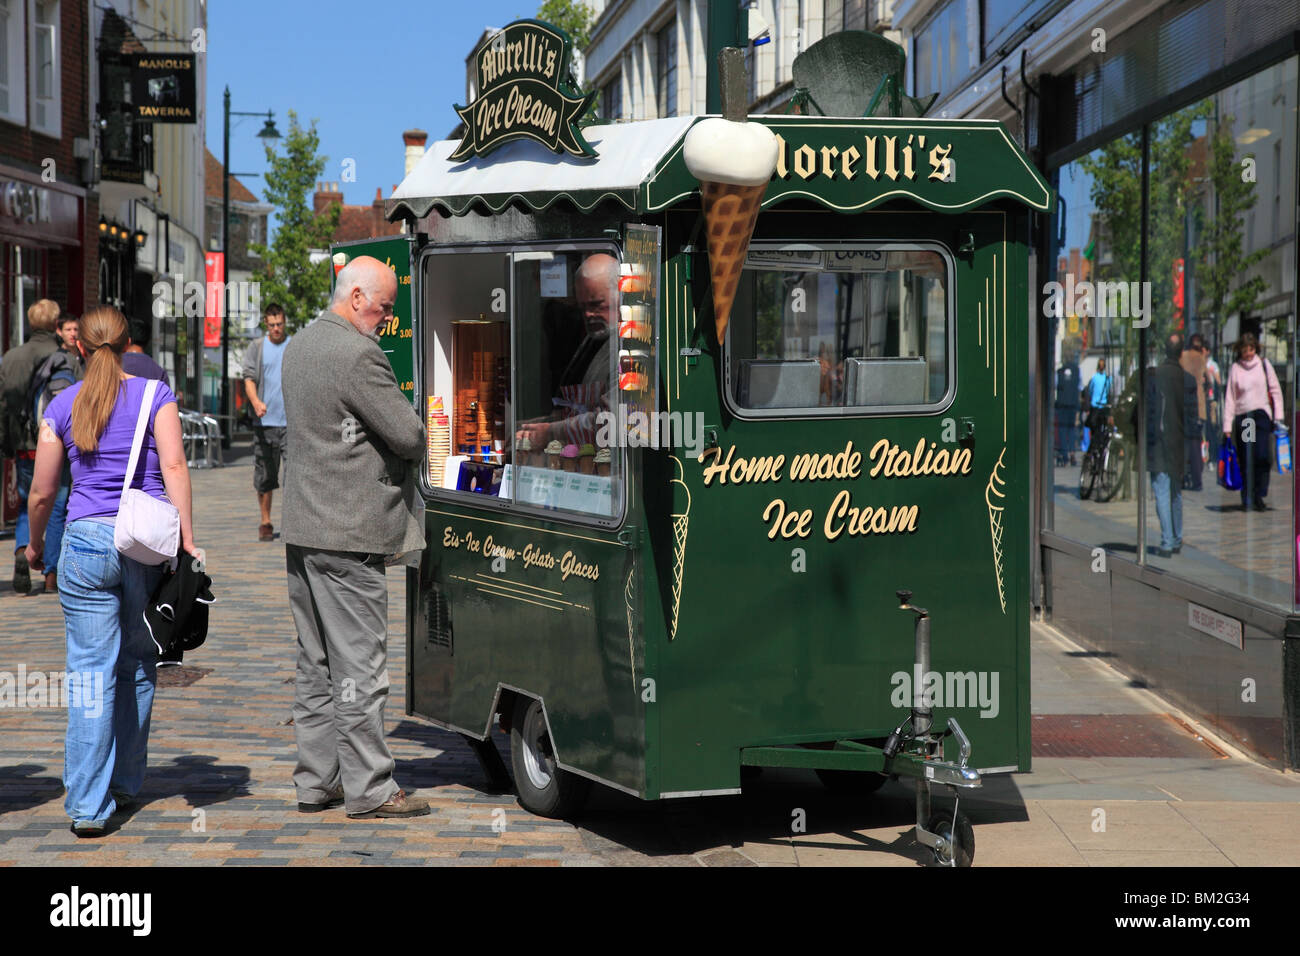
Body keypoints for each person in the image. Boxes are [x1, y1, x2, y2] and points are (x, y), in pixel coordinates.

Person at [24, 305, 197, 836]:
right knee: (139, 663)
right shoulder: (155, 396)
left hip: (83, 546)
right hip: (142, 545)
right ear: (129, 345)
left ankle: (88, 805)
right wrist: (188, 541)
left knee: (88, 675)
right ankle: (124, 782)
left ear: (79, 346)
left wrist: (34, 548)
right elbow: (173, 466)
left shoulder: (61, 405)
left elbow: (42, 491)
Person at [281, 257, 428, 819]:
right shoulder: (358, 353)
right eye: (386, 307)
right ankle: (371, 787)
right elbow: (408, 434)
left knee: (314, 663)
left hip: (305, 528)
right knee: (361, 668)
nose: (388, 319)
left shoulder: (299, 345)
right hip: (349, 534)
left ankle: (316, 781)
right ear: (358, 295)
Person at [0, 299, 62, 594]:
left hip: (23, 442)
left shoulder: (11, 357)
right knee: (59, 503)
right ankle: (51, 571)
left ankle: (23, 549)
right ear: (55, 324)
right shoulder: (62, 357)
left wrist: (6, 441)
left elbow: (2, 405)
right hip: (55, 442)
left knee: (28, 501)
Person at [1145, 334, 1197, 557]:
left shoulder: (1154, 376)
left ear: (1165, 351)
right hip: (1179, 442)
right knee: (1175, 493)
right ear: (1181, 352)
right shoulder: (1188, 380)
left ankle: (1167, 541)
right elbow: (1192, 417)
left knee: (1162, 491)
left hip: (1158, 442)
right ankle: (1176, 538)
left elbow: (1147, 412)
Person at [241, 304, 290, 541]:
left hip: (291, 423)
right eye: (272, 325)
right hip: (265, 423)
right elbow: (249, 378)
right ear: (266, 324)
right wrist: (256, 402)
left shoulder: (294, 345)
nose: (276, 328)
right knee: (265, 476)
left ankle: (292, 524)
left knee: (294, 475)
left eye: (279, 324)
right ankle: (265, 520)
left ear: (285, 322)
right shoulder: (257, 347)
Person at [1223, 330, 1285, 512]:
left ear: (1255, 349)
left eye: (1251, 349)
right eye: (1245, 350)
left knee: (1262, 456)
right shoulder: (1236, 368)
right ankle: (1248, 496)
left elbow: (1275, 390)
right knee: (1248, 457)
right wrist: (1227, 425)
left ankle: (1260, 493)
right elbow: (1230, 397)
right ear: (1240, 351)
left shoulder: (1264, 365)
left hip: (1261, 416)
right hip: (1246, 418)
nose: (1248, 353)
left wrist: (1278, 416)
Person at [1180, 334, 1209, 491]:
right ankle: (1197, 480)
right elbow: (1207, 379)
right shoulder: (1201, 358)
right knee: (1196, 444)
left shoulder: (1182, 356)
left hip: (1183, 402)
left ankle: (1183, 477)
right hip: (1199, 405)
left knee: (1184, 442)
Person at [1053, 356, 1081, 466]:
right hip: (1073, 404)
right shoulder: (1077, 371)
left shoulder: (1059, 372)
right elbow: (1080, 386)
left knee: (1062, 430)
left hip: (1062, 404)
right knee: (1071, 429)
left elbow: (1055, 385)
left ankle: (1064, 454)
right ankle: (1072, 452)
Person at [1083, 357, 1112, 450]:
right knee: (1103, 428)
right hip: (1104, 407)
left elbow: (1090, 391)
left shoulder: (1094, 378)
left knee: (1094, 428)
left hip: (1095, 406)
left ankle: (1093, 447)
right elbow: (1109, 392)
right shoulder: (1108, 379)